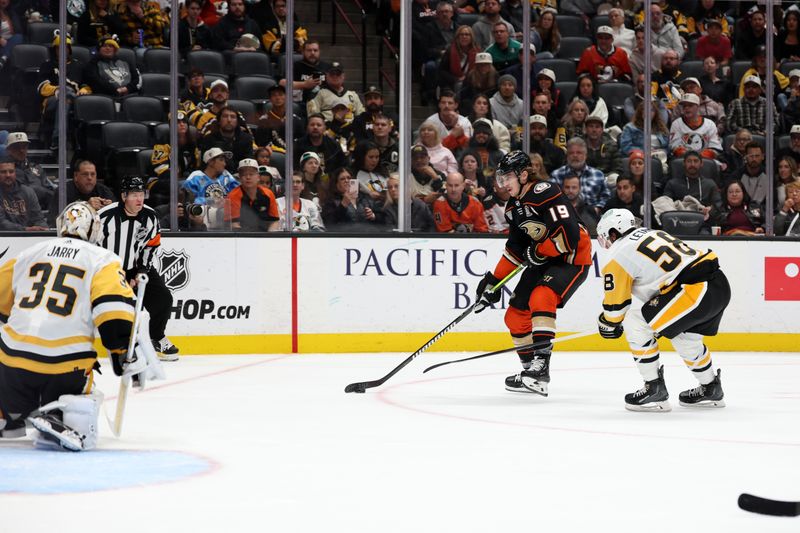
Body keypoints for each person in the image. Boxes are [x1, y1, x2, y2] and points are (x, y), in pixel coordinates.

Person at [0, 202, 150, 451]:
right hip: (65, 366)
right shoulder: (103, 259)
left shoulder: (30, 252)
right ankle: (62, 417)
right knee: (84, 397)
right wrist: (122, 352)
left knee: (8, 367)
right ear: (95, 230)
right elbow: (113, 311)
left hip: (12, 364)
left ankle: (8, 415)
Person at [475, 151, 591, 396]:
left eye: (507, 177)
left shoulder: (545, 191)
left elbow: (569, 235)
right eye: (501, 177)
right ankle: (530, 373)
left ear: (524, 175)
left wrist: (540, 251)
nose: (503, 183)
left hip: (571, 258)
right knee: (515, 317)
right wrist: (492, 282)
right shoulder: (512, 208)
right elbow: (516, 250)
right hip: (546, 259)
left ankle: (541, 366)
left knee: (541, 296)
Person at [596, 209, 730, 411]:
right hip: (717, 286)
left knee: (635, 322)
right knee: (685, 337)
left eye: (606, 237)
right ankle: (710, 387)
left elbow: (616, 309)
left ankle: (653, 388)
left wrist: (607, 322)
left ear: (613, 232)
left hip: (693, 291)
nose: (606, 243)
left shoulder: (618, 253)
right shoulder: (651, 233)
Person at [98, 176, 178, 361]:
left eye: (142, 194)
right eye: (134, 194)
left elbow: (151, 245)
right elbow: (93, 246)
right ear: (124, 196)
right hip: (107, 270)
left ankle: (156, 337)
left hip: (136, 267)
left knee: (163, 298)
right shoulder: (104, 216)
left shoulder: (150, 216)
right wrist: (114, 275)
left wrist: (141, 271)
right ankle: (123, 345)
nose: (139, 199)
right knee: (121, 308)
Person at [550, 137, 610, 216]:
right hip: (565, 217)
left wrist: (598, 208)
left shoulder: (598, 175)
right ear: (567, 155)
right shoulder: (557, 175)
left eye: (579, 153)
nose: (575, 156)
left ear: (585, 155)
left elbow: (606, 195)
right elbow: (551, 199)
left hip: (592, 218)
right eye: (571, 153)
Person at [46, 159, 114, 227]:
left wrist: (111, 209)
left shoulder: (104, 192)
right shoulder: (63, 192)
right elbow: (54, 223)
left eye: (93, 174)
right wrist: (86, 208)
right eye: (85, 174)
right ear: (75, 176)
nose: (90, 178)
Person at [226, 159, 281, 232]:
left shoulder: (269, 194)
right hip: (241, 237)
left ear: (258, 177)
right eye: (244, 174)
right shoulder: (232, 196)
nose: (248, 177)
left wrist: (269, 238)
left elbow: (274, 221)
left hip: (265, 236)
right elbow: (234, 225)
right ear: (239, 177)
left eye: (251, 174)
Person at [4, 132, 55, 210]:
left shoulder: (36, 167)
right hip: (14, 211)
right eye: (17, 147)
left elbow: (49, 189)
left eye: (24, 146)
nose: (21, 150)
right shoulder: (4, 171)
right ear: (8, 150)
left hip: (41, 210)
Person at [0, 156, 48, 231]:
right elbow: (2, 223)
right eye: (3, 172)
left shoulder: (28, 192)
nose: (8, 175)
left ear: (15, 173)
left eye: (11, 171)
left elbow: (38, 219)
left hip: (27, 237)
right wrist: (25, 229)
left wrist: (43, 229)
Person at [669, 93, 722, 160]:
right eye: (684, 106)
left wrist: (700, 157)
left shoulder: (710, 124)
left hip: (705, 160)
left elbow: (715, 147)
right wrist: (691, 157)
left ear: (698, 106)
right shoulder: (676, 123)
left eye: (690, 105)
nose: (686, 108)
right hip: (683, 160)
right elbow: (674, 147)